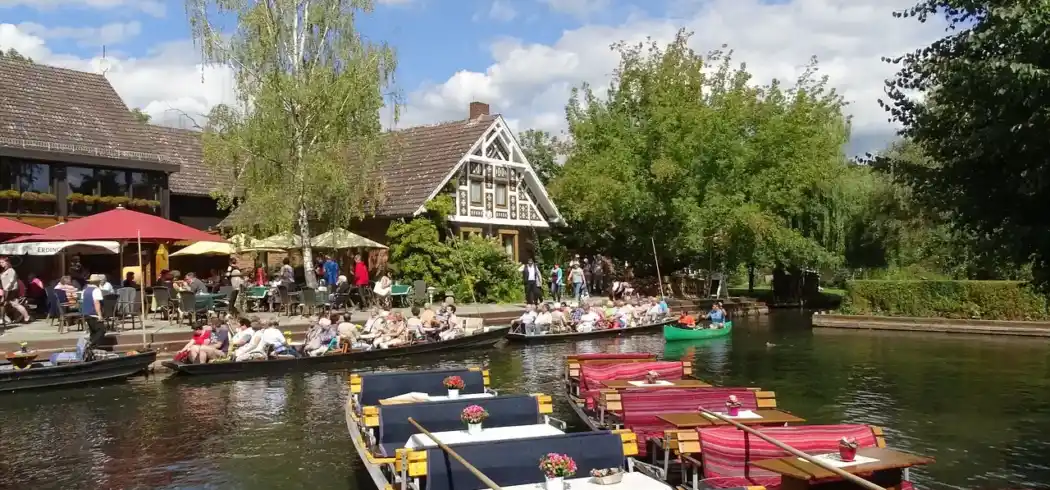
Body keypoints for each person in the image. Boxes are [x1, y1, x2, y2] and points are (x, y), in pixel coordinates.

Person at [80, 274, 106, 358]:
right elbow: (96, 303)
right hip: (94, 314)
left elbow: (83, 301)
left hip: (86, 313)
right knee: (101, 330)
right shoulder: (96, 290)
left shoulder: (85, 290)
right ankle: (91, 345)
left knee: (93, 332)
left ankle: (92, 350)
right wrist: (100, 315)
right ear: (97, 282)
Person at [0, 257, 30, 325]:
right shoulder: (4, 271)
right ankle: (3, 319)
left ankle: (26, 317)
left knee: (15, 304)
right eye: (0, 263)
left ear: (7, 262)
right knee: (5, 304)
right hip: (6, 290)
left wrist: (7, 287)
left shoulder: (11, 270)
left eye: (2, 262)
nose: (1, 264)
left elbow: (11, 280)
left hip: (11, 290)